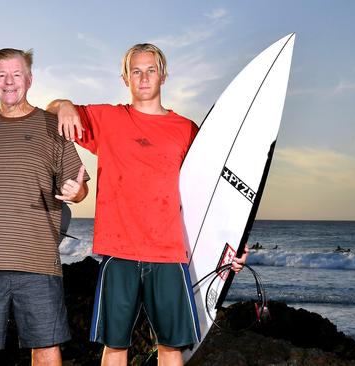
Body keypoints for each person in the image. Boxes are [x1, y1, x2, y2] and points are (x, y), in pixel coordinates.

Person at [47, 43, 248, 365]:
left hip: (168, 253)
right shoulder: (107, 118)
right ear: (125, 77)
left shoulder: (186, 130)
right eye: (136, 71)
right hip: (119, 251)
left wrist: (233, 243)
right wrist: (66, 104)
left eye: (150, 70)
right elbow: (52, 110)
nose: (143, 78)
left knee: (171, 347)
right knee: (115, 347)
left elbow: (213, 194)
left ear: (163, 76)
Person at [0, 48, 89, 366]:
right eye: (1, 75)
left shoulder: (51, 126)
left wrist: (77, 191)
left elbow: (79, 185)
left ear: (29, 79)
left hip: (38, 262)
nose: (9, 81)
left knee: (45, 348)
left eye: (16, 74)